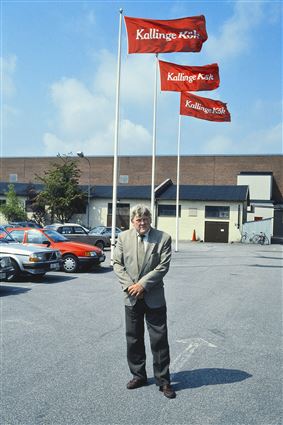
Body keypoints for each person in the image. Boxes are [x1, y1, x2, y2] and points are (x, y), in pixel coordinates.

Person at [113, 204, 176, 399]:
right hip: (131, 297)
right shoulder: (123, 238)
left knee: (159, 340)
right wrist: (131, 287)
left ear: (150, 219)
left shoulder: (163, 238)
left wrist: (142, 285)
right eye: (138, 219)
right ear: (132, 221)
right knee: (133, 339)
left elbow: (163, 266)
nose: (142, 222)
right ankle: (138, 375)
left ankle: (163, 381)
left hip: (154, 296)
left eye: (146, 219)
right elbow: (117, 263)